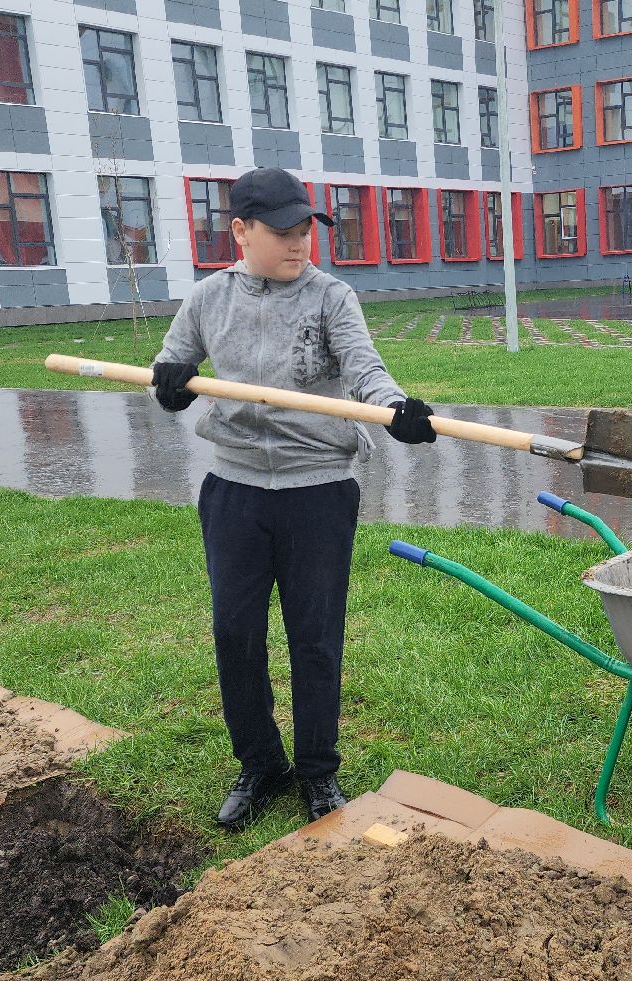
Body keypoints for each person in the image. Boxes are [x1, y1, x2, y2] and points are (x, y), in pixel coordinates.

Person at [147, 167, 439, 828]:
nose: (299, 242)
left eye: (306, 228)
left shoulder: (331, 297)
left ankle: (317, 772)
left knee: (315, 637)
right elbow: (172, 367)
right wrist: (170, 384)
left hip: (318, 491)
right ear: (241, 231)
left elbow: (365, 370)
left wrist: (396, 409)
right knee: (235, 634)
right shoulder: (208, 298)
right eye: (282, 231)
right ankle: (259, 764)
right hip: (235, 490)